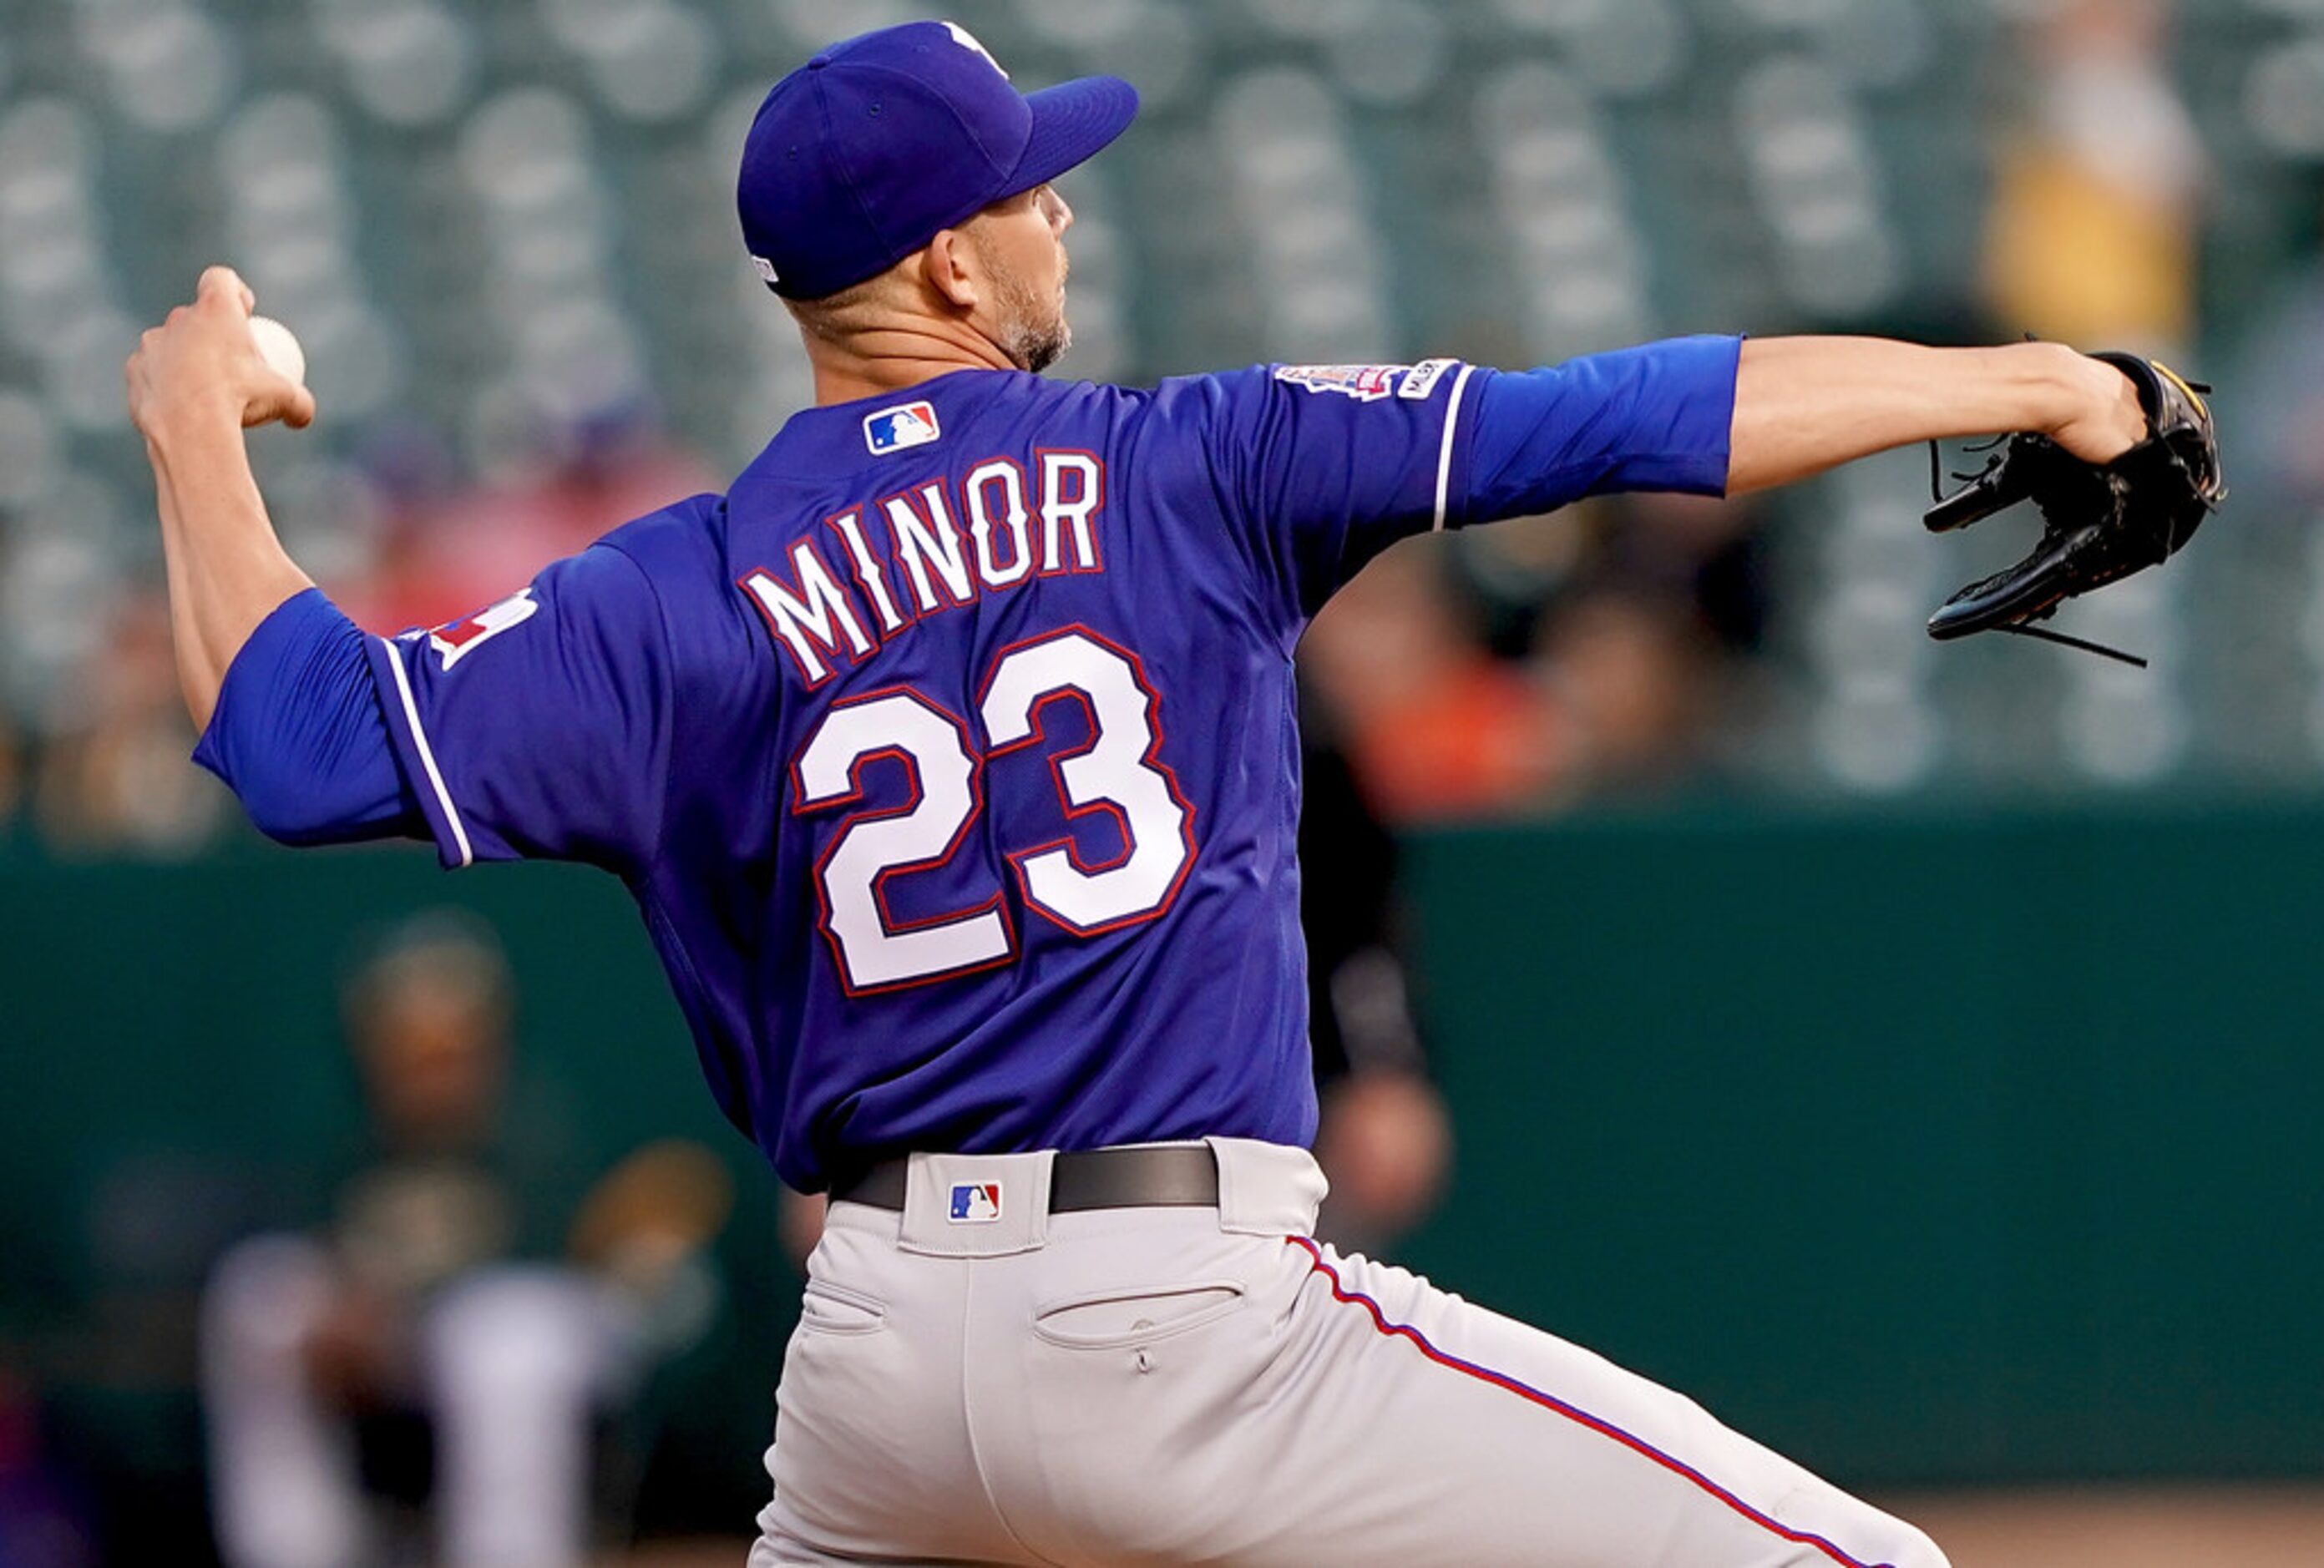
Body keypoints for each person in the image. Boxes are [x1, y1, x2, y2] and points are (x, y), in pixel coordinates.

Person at [127, 19, 2154, 1566]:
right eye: (1027, 187)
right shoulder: (1191, 462)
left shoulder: (674, 588)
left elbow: (302, 740)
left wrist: (192, 423)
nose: (1060, 209)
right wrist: (2038, 381)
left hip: (877, 1358)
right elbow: (1636, 412)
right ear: (942, 257)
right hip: (1180, 1317)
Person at [200, 911, 730, 1568]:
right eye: (409, 1048)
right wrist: (347, 1305)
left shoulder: (536, 1128)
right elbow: (315, 1242)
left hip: (543, 1335)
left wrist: (392, 1308)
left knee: (501, 1337)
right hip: (405, 1337)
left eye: (449, 1048)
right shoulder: (352, 1137)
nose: (430, 1070)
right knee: (259, 1295)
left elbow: (555, 1258)